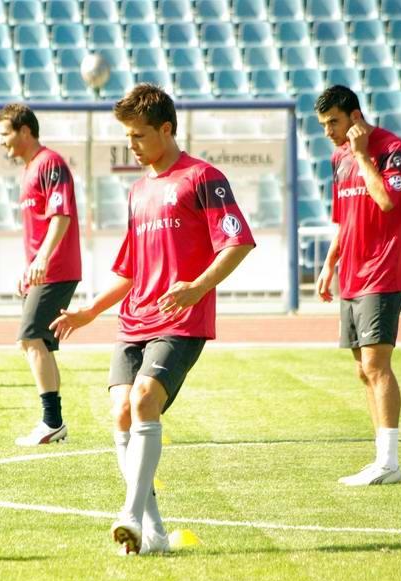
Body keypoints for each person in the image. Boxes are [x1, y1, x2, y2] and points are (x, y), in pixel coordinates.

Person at [51, 84, 255, 555]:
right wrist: (90, 311)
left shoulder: (203, 178)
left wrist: (197, 287)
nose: (132, 145)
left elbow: (238, 242)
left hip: (180, 320)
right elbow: (129, 269)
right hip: (133, 320)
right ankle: (155, 533)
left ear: (166, 129)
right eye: (127, 136)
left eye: (139, 135)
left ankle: (128, 515)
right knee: (121, 411)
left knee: (145, 399)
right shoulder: (139, 190)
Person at [314, 85, 401, 486]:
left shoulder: (390, 148)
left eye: (333, 122)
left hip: (383, 270)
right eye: (323, 125)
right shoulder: (338, 158)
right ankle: (381, 459)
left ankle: (390, 462)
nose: (328, 132)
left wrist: (361, 155)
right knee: (362, 370)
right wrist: (329, 264)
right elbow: (344, 218)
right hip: (352, 275)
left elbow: (387, 201)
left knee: (376, 365)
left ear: (355, 117)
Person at [0, 103, 83, 446]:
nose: (2, 141)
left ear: (25, 131)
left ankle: (52, 422)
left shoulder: (50, 163)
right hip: (44, 271)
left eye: (5, 134)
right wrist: (30, 267)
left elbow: (61, 216)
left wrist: (42, 259)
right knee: (37, 343)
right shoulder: (31, 168)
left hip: (57, 270)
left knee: (30, 339)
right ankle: (54, 422)